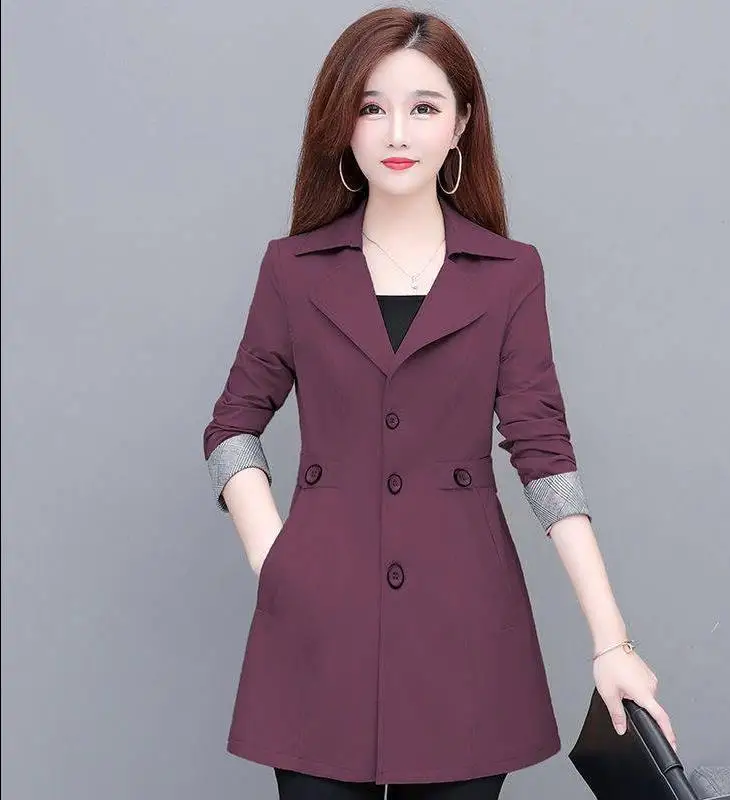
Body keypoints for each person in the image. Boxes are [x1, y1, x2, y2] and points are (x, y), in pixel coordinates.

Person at [202, 7, 676, 799]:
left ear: (460, 124)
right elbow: (233, 425)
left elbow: (543, 454)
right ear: (342, 123)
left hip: (466, 627)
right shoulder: (292, 269)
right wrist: (275, 561)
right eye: (372, 106)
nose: (397, 132)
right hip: (318, 625)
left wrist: (612, 642)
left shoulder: (511, 274)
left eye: (423, 107)